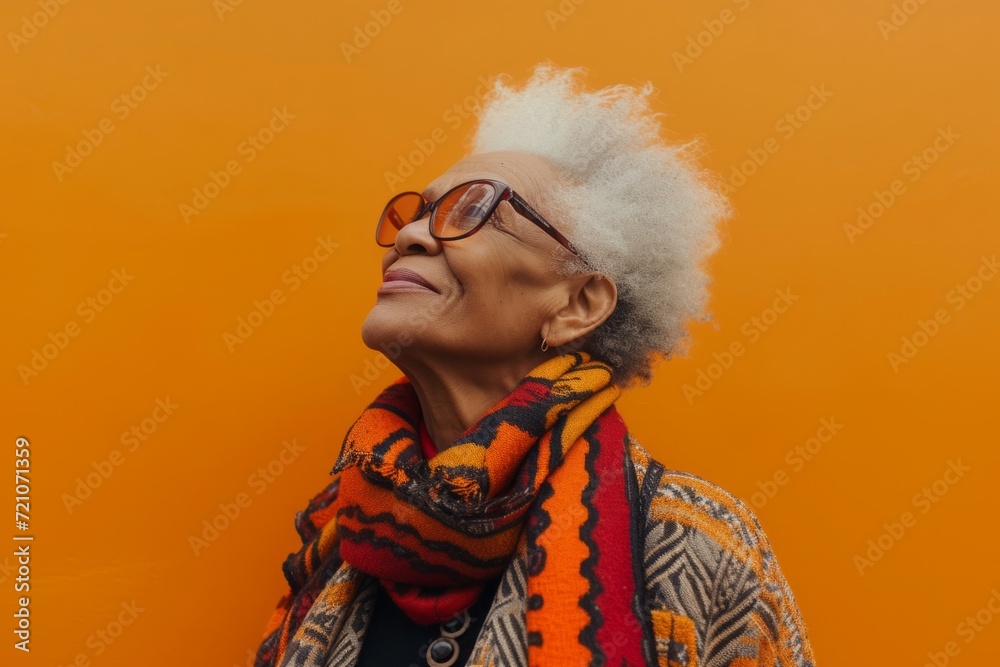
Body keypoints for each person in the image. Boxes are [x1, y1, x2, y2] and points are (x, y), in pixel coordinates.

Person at [253, 64, 817, 667]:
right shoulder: (343, 531)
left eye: (473, 209)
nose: (411, 235)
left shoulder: (698, 544)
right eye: (418, 212)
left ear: (577, 305)